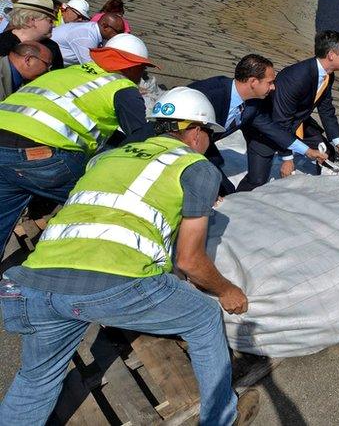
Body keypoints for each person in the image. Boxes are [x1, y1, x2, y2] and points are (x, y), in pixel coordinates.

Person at [0, 87, 259, 425]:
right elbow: (189, 261)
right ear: (195, 132)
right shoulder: (196, 167)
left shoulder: (106, 158)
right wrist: (227, 291)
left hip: (34, 285)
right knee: (204, 316)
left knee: (37, 379)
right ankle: (222, 418)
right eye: (209, 133)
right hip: (112, 288)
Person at [0, 33, 154, 257]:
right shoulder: (122, 86)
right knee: (105, 202)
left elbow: (69, 117)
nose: (142, 76)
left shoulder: (66, 73)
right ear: (132, 67)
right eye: (142, 69)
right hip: (43, 157)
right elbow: (140, 136)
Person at [236, 30, 339, 192]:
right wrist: (287, 158)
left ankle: (325, 189)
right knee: (257, 180)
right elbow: (280, 119)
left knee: (326, 149)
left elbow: (326, 110)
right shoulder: (297, 77)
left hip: (296, 122)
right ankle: (230, 202)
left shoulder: (328, 76)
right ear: (332, 55)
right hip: (267, 126)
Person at [189, 53, 320, 195]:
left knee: (227, 192)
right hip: (179, 144)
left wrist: (307, 150)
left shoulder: (252, 105)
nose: (273, 88)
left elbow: (273, 129)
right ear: (253, 82)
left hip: (203, 145)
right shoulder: (209, 94)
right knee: (217, 189)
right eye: (269, 82)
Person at [0, 0, 65, 70]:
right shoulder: (3, 44)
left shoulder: (52, 47)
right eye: (50, 20)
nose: (53, 25)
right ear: (31, 20)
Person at [50, 13, 125, 65]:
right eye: (118, 32)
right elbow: (89, 64)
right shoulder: (86, 36)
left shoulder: (95, 30)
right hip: (49, 64)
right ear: (105, 26)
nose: (119, 35)